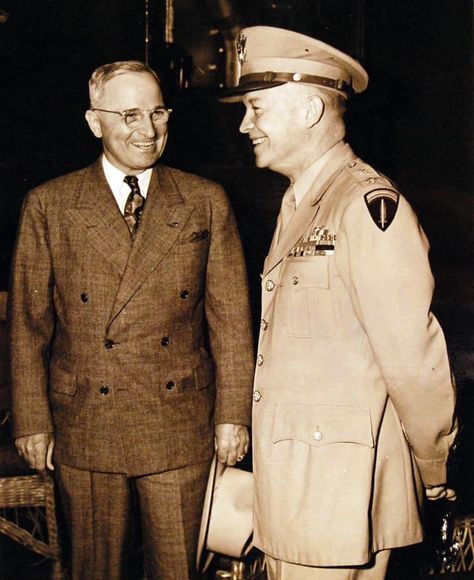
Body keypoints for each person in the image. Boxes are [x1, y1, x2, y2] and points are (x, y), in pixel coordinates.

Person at [221, 26, 457, 579]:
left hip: (338, 493)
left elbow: (412, 355)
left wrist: (432, 461)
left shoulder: (366, 206)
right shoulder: (303, 201)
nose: (244, 124)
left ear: (307, 109)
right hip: (298, 486)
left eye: (256, 107)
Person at [9, 60, 254, 580]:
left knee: (177, 571)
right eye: (129, 114)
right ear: (94, 122)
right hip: (86, 423)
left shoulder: (205, 201)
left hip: (179, 423)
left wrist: (233, 415)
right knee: (94, 571)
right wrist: (31, 419)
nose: (147, 130)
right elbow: (29, 327)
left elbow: (231, 320)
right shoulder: (49, 205)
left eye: (157, 113)